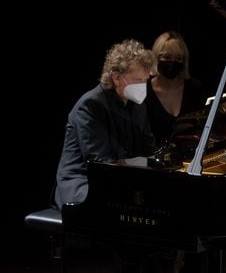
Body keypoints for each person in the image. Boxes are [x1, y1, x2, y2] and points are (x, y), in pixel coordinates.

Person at [54, 39, 156, 210]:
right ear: (116, 77)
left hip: (121, 178)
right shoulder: (91, 105)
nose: (143, 86)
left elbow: (148, 150)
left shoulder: (139, 106)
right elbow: (99, 162)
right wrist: (138, 164)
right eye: (138, 80)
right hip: (83, 182)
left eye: (145, 80)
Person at [145, 30, 206, 148]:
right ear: (156, 57)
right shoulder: (144, 91)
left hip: (191, 158)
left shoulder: (194, 89)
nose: (173, 63)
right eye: (167, 57)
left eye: (178, 58)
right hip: (153, 162)